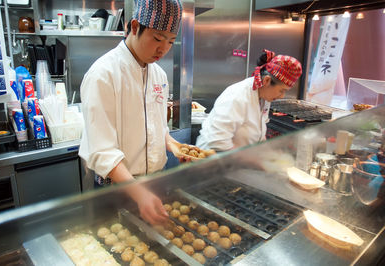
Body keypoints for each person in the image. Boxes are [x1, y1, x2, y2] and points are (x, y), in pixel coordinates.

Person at [79, 0, 183, 225]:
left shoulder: (159, 76)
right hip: (116, 189)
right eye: (157, 38)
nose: (163, 49)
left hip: (153, 184)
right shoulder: (103, 74)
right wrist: (139, 193)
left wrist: (174, 145)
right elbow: (102, 150)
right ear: (135, 27)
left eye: (171, 41)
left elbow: (156, 127)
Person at [196, 49, 302, 151]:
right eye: (281, 91)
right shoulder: (237, 97)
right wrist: (252, 160)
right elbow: (217, 141)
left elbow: (259, 131)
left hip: (234, 162)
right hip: (212, 160)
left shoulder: (264, 96)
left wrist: (268, 153)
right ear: (266, 80)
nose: (282, 96)